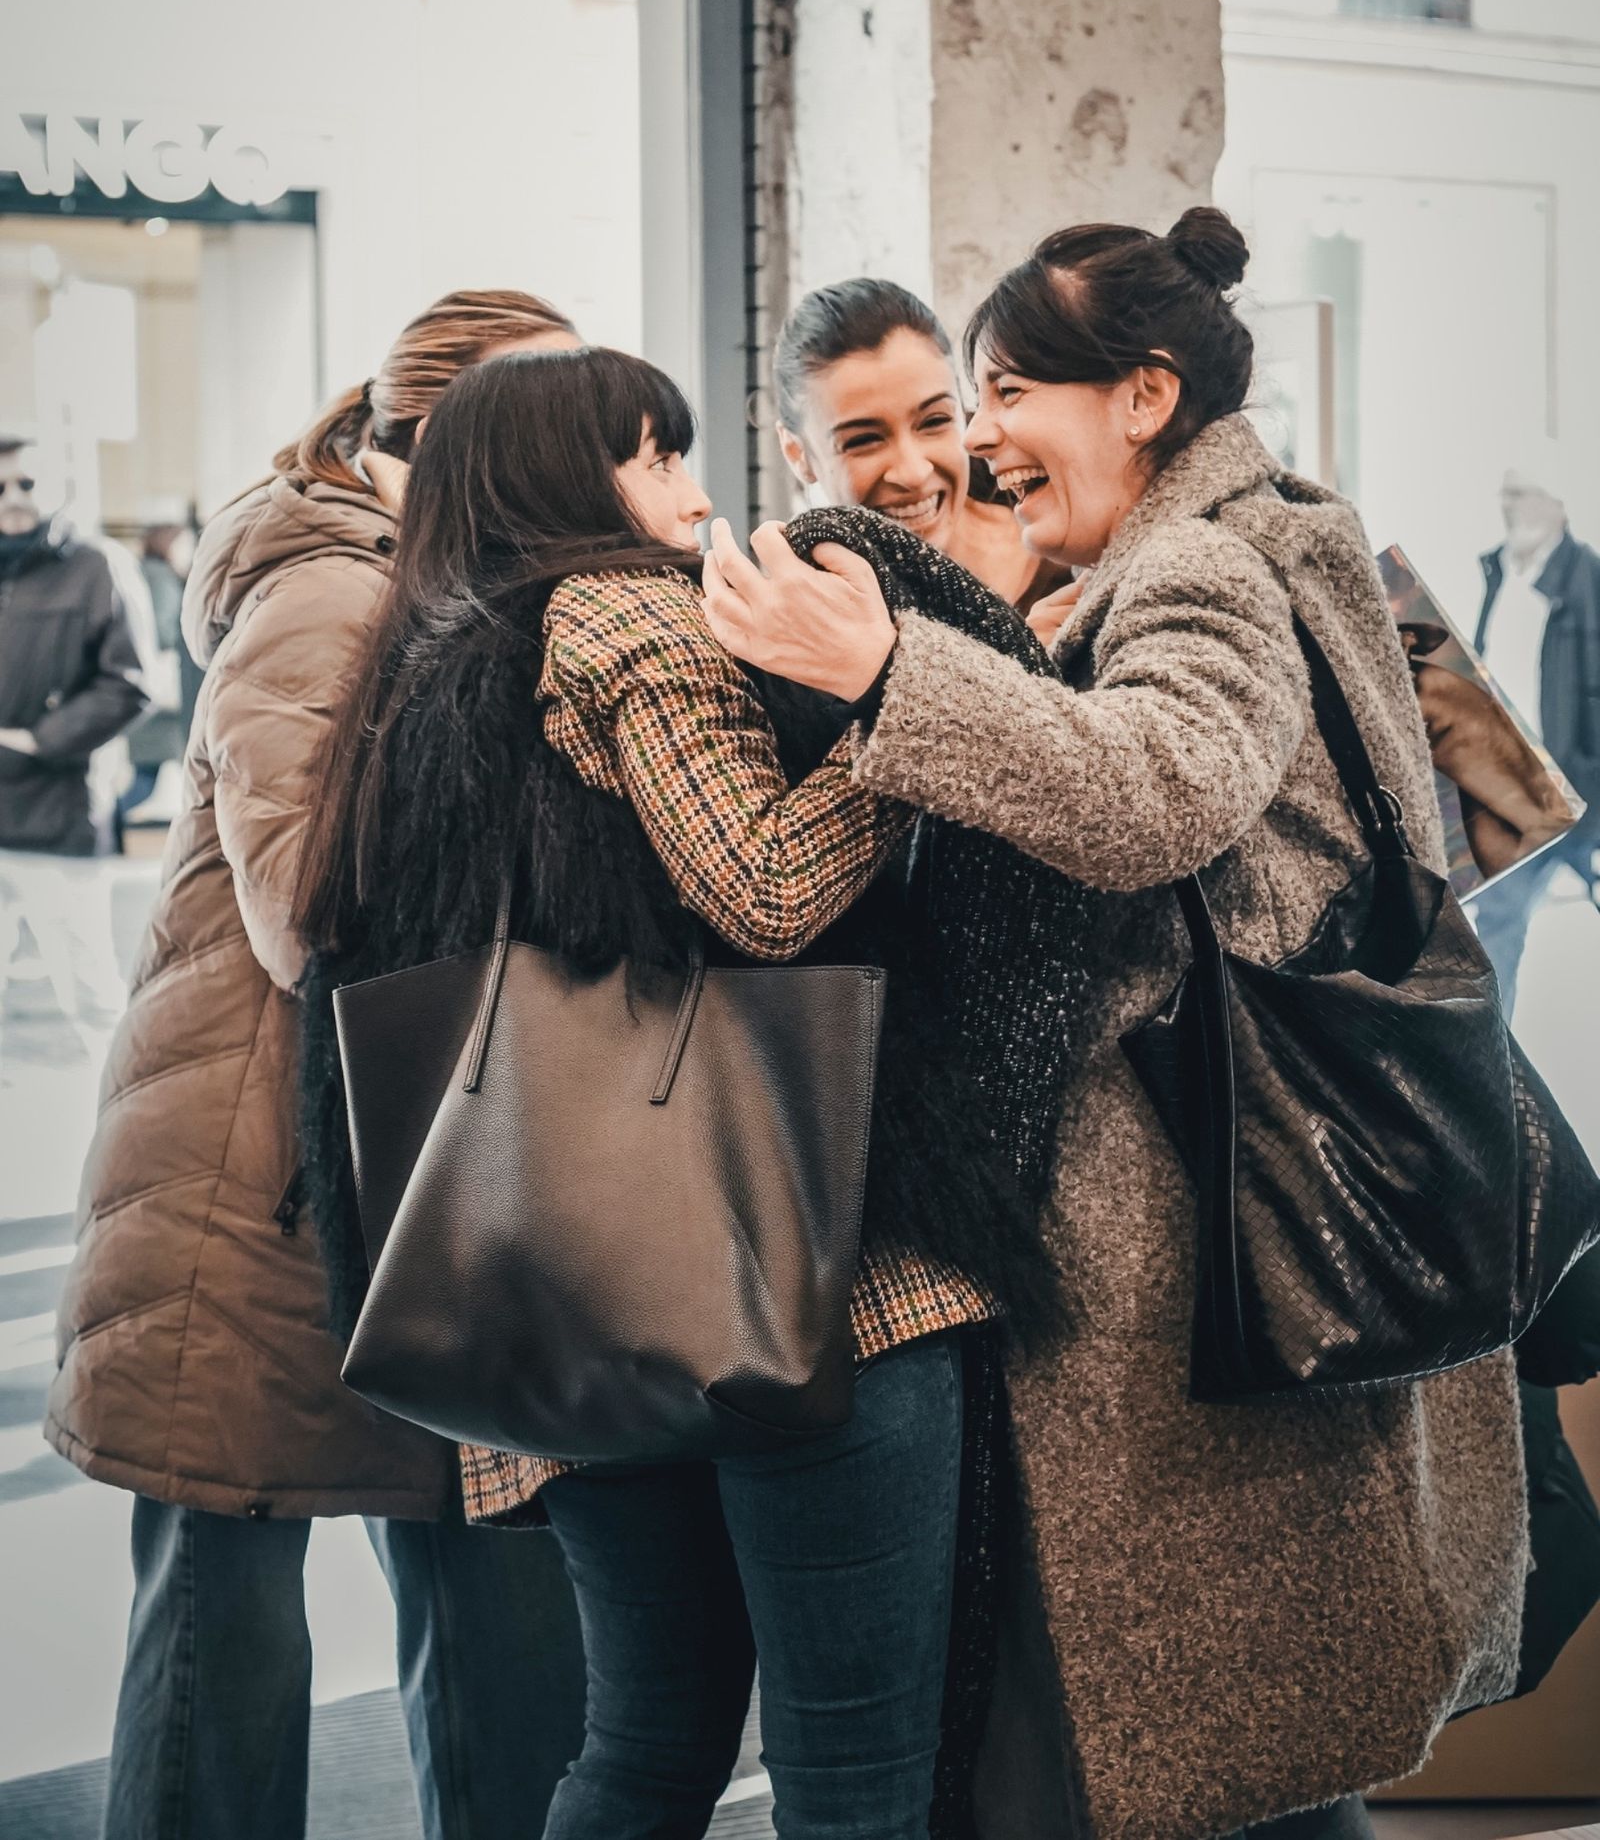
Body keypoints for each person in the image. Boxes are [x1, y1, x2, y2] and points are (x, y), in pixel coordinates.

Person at [703, 208, 1528, 1840]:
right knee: (1259, 1753)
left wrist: (885, 672)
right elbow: (1498, 811)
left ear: (1142, 396)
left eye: (1002, 389)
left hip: (1201, 1219)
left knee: (1210, 1747)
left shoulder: (1202, 565)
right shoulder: (1287, 530)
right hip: (1266, 1195)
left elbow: (1156, 791)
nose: (982, 433)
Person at [292, 344, 1063, 1840]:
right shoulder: (621, 613)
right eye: (656, 458)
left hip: (562, 1295)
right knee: (855, 1775)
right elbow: (766, 886)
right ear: (563, 479)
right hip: (797, 1273)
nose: (696, 496)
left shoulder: (418, 669)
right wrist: (908, 713)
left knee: (645, 1746)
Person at [45, 292, 588, 1840]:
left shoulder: (442, 589)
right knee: (223, 1641)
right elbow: (306, 909)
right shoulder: (335, 599)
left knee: (492, 1594)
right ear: (435, 438)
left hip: (390, 1177)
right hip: (254, 1194)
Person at [773, 275, 1067, 624]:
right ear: (798, 454)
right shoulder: (802, 627)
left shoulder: (1070, 558)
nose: (914, 473)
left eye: (934, 421)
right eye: (863, 441)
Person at [0, 433, 147, 1048]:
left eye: (26, 484)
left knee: (91, 996)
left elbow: (128, 683)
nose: (12, 499)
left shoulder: (96, 566)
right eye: (0, 487)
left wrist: (41, 740)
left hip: (54, 815)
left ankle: (128, 1133)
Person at [1471, 456, 1600, 1015]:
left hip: (1577, 787)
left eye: (1521, 493)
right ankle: (1496, 1069)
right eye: (1505, 493)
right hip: (1513, 789)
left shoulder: (1587, 578)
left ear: (1556, 502)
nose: (1508, 505)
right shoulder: (1498, 572)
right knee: (1498, 923)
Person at [114, 507, 202, 839]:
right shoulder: (160, 578)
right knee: (148, 780)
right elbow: (166, 632)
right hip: (166, 698)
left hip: (155, 697)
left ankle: (107, 825)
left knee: (146, 778)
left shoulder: (147, 573)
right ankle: (105, 825)